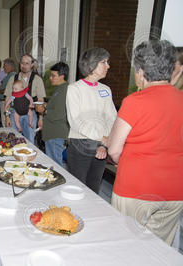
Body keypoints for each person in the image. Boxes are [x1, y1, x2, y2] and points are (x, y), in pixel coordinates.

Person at [108, 40, 183, 246]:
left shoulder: (135, 101)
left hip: (136, 187)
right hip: (175, 189)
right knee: (157, 250)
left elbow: (114, 149)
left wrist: (118, 159)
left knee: (126, 245)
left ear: (140, 72)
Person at [66, 47, 116, 194]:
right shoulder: (74, 89)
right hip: (80, 144)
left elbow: (112, 118)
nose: (108, 66)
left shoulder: (106, 90)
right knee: (77, 188)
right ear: (92, 65)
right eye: (104, 62)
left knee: (94, 187)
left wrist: (104, 145)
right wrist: (102, 138)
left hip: (102, 145)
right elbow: (76, 120)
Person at [4, 54, 46, 143]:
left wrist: (41, 119)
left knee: (30, 141)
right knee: (13, 140)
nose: (24, 65)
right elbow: (8, 99)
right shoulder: (13, 79)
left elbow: (41, 101)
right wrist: (7, 116)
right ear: (20, 64)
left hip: (30, 113)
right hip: (14, 113)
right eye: (22, 63)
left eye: (27, 63)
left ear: (32, 65)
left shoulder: (37, 79)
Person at [36, 62, 69, 167]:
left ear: (62, 76)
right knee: (52, 161)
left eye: (53, 76)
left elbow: (58, 114)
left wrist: (43, 110)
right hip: (52, 132)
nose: (50, 78)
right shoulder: (60, 89)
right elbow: (57, 107)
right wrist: (46, 105)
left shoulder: (64, 90)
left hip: (56, 133)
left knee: (55, 164)